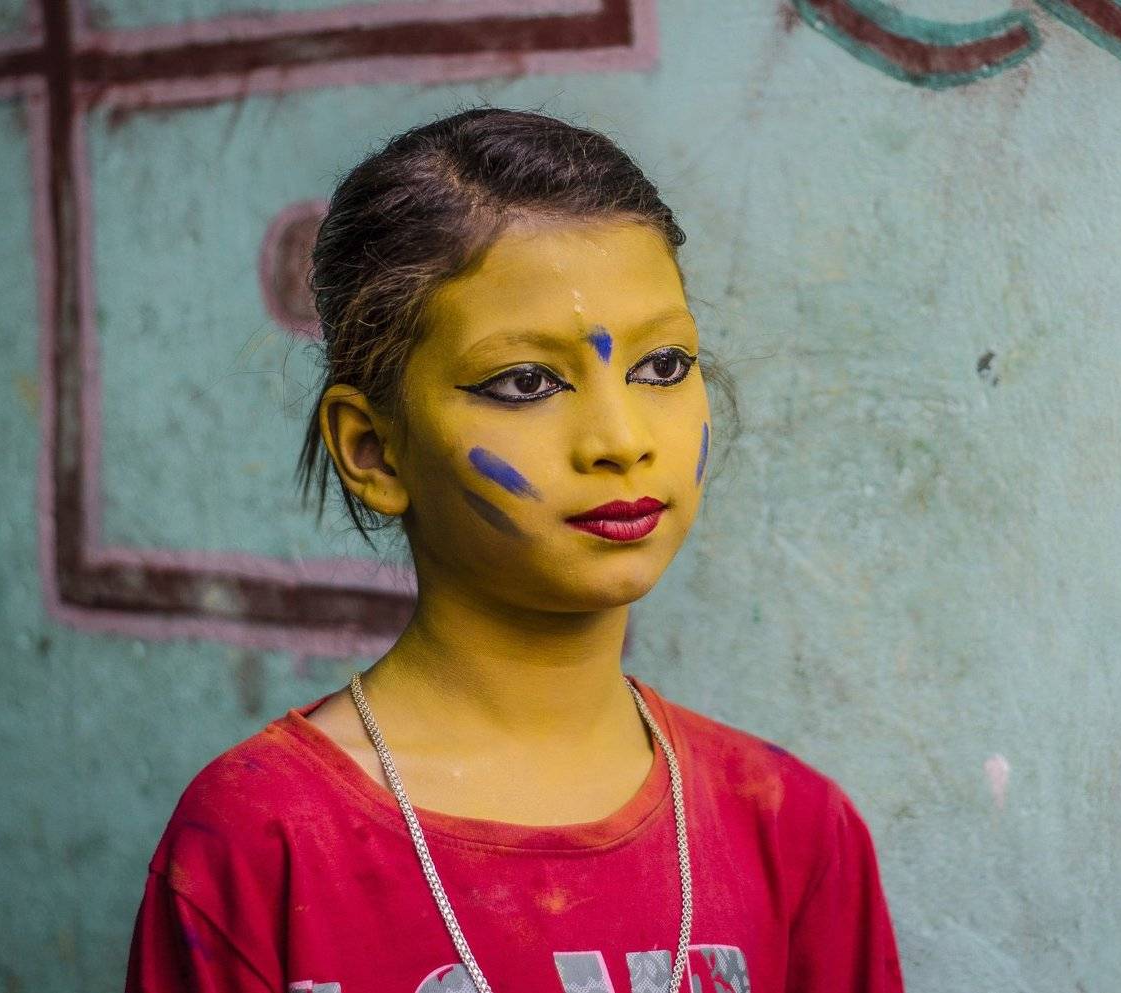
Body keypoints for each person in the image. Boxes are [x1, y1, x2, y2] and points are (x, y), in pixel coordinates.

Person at [126, 107, 904, 993]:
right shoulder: (262, 840)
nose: (621, 440)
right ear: (374, 450)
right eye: (526, 381)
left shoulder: (792, 829)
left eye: (662, 366)